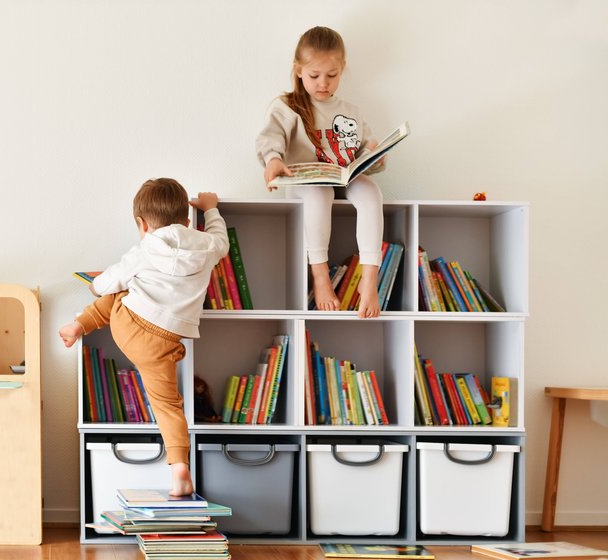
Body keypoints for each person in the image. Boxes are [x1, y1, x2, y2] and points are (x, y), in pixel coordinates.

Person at [59, 178, 229, 496]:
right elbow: (222, 239)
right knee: (168, 406)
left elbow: (107, 283)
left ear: (142, 223)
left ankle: (77, 326)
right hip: (165, 342)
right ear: (188, 220)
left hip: (128, 325)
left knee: (119, 290)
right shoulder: (208, 247)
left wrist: (95, 285)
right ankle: (179, 467)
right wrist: (213, 208)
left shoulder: (146, 248)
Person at [256, 26, 385, 318]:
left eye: (332, 75)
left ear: (343, 69)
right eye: (315, 76)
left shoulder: (350, 110)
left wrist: (374, 156)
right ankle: (320, 276)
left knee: (370, 191)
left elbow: (365, 149)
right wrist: (273, 160)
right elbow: (270, 138)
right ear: (299, 71)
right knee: (320, 192)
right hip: (306, 181)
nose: (323, 84)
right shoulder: (287, 106)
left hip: (343, 174)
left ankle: (369, 281)